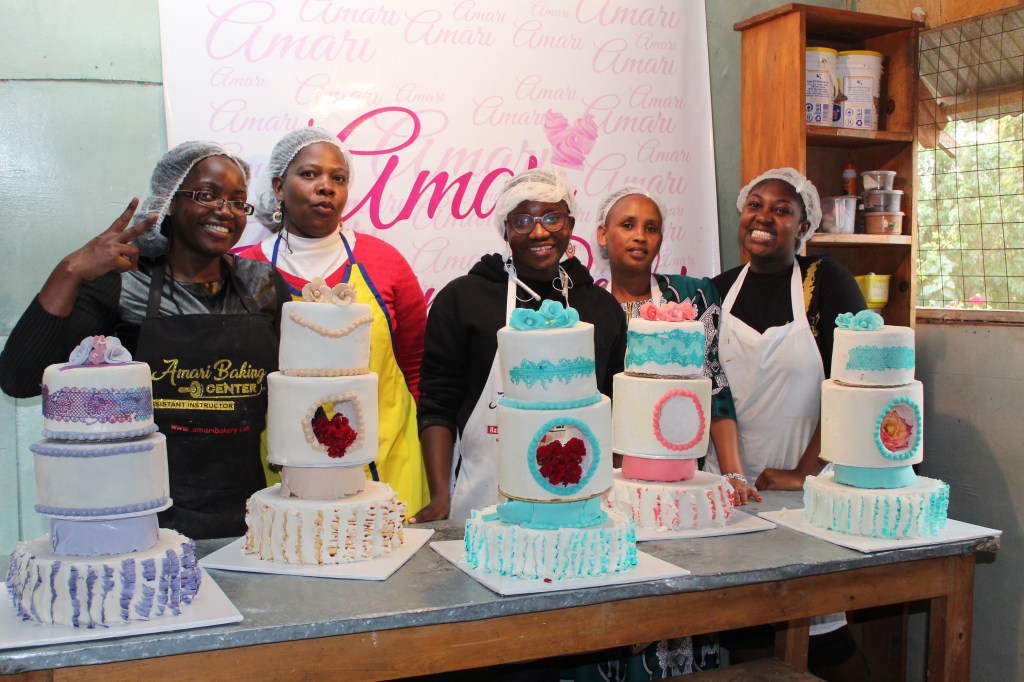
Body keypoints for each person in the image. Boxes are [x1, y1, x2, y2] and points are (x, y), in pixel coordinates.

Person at [0, 142, 291, 539]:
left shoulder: (263, 285)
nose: (225, 210)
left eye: (238, 201)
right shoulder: (124, 284)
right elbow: (18, 379)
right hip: (142, 520)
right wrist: (70, 271)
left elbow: (297, 390)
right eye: (207, 195)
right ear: (169, 201)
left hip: (248, 517)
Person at [709, 168, 868, 677]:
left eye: (782, 210)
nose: (763, 218)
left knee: (823, 640)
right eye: (755, 205)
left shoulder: (826, 281)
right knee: (748, 642)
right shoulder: (717, 291)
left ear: (803, 226)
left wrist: (804, 471)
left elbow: (855, 383)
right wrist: (729, 476)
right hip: (729, 493)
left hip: (805, 492)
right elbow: (709, 391)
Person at [410, 167, 627, 523]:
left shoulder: (602, 309)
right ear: (505, 230)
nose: (539, 232)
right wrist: (439, 498)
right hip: (482, 499)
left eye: (552, 218)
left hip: (584, 503)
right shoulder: (462, 299)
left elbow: (616, 410)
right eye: (522, 221)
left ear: (570, 225)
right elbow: (438, 403)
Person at [237, 127, 429, 513]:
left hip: (391, 469)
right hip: (286, 476)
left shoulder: (385, 262)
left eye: (338, 178)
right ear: (278, 186)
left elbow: (415, 368)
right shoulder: (243, 269)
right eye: (309, 174)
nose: (326, 186)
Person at [596, 184, 760, 506]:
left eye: (651, 228)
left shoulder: (692, 296)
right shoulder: (588, 308)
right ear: (603, 234)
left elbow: (714, 385)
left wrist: (733, 473)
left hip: (680, 472)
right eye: (628, 225)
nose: (640, 236)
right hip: (610, 480)